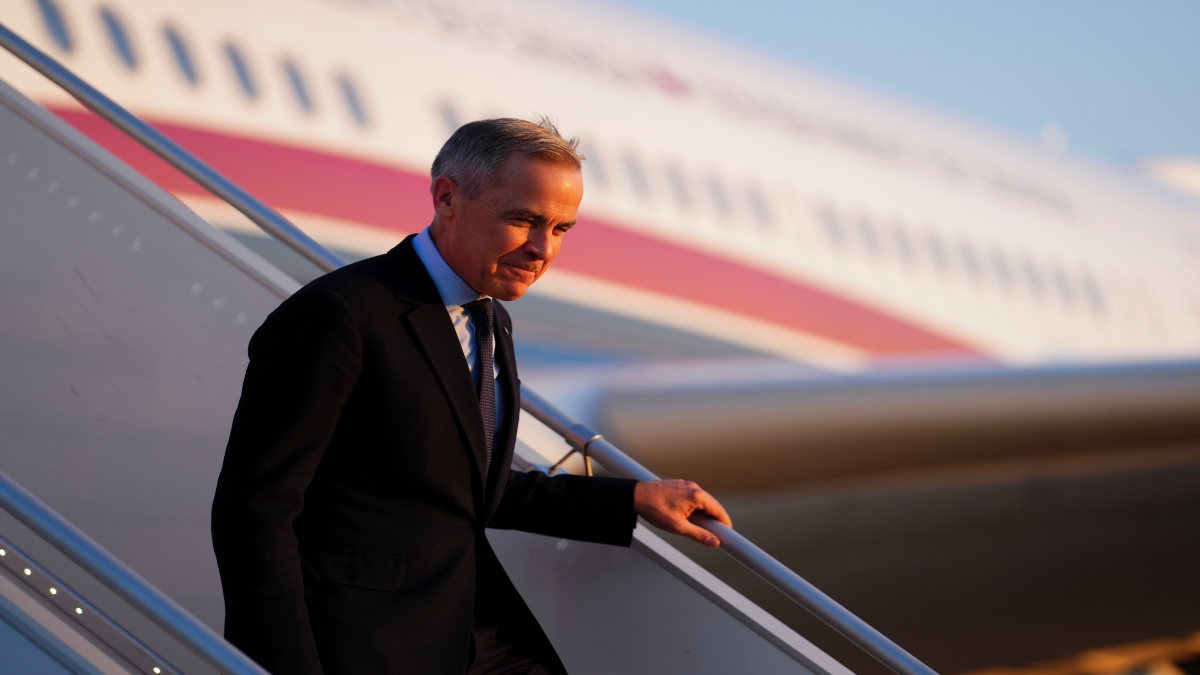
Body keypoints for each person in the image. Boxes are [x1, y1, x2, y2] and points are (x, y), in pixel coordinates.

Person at [211, 117, 732, 675]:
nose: (541, 249)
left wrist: (630, 500)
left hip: (468, 635)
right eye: (523, 220)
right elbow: (254, 512)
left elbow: (472, 485)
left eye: (560, 229)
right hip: (364, 643)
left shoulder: (489, 320)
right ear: (446, 198)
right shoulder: (341, 314)